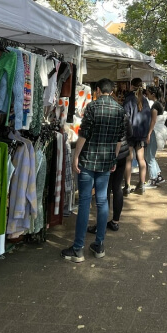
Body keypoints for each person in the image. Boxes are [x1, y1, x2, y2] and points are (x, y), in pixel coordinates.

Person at [61, 77, 125, 263]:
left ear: (97, 90)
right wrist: (114, 156)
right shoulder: (119, 110)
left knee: (84, 202)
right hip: (106, 161)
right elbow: (120, 138)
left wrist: (75, 156)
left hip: (88, 159)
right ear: (111, 91)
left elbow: (84, 134)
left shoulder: (93, 107)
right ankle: (99, 244)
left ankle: (78, 248)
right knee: (103, 200)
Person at [88, 113, 130, 235]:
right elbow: (130, 133)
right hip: (123, 153)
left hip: (110, 154)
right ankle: (115, 221)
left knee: (105, 189)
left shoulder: (103, 113)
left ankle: (101, 224)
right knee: (116, 187)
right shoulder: (123, 114)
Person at [123, 77, 151, 195]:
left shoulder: (128, 100)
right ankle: (142, 184)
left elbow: (125, 118)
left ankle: (127, 185)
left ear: (131, 86)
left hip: (130, 134)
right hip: (141, 134)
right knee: (141, 159)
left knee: (128, 159)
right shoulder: (145, 101)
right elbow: (148, 118)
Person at [145, 85, 166, 188]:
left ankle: (153, 179)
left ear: (152, 94)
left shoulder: (155, 106)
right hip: (158, 132)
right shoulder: (159, 104)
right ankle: (158, 176)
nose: (146, 95)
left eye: (148, 93)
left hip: (154, 132)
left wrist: (148, 134)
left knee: (150, 157)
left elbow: (153, 121)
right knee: (150, 156)